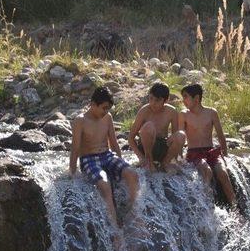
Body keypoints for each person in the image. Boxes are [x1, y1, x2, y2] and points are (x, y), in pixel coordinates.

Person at [70, 87, 139, 227]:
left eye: (108, 109)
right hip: (89, 159)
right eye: (104, 108)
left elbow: (113, 142)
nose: (105, 112)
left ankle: (132, 213)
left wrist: (121, 162)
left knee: (132, 174)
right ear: (93, 104)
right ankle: (115, 229)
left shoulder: (107, 118)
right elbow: (75, 148)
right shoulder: (80, 120)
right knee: (105, 184)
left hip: (107, 156)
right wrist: (72, 171)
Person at [179, 83, 237, 207]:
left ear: (196, 98)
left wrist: (225, 155)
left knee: (222, 173)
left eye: (185, 97)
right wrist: (179, 157)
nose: (183, 100)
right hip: (194, 153)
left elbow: (221, 135)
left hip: (211, 151)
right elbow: (180, 137)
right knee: (207, 171)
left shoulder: (211, 113)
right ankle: (207, 207)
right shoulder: (184, 114)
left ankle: (235, 207)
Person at [128, 83, 186, 172]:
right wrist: (140, 157)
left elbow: (175, 136)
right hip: (145, 147)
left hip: (163, 146)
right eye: (151, 98)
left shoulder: (171, 111)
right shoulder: (144, 111)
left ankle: (165, 163)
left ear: (166, 100)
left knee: (181, 135)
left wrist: (178, 157)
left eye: (157, 100)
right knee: (149, 126)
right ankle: (149, 161)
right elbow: (131, 138)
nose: (153, 103)